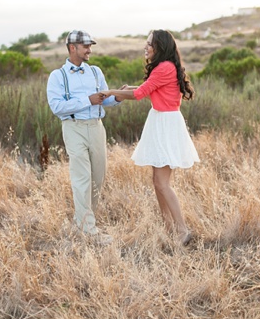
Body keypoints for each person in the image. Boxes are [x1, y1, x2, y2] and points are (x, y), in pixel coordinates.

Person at [101, 30, 199, 246]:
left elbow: (139, 95)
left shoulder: (164, 67)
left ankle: (182, 230)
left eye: (148, 44)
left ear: (159, 47)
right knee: (157, 182)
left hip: (165, 124)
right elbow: (147, 90)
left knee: (163, 183)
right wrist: (124, 90)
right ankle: (169, 229)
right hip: (160, 122)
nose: (145, 47)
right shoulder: (164, 67)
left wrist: (111, 92)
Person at [47, 30, 122, 244]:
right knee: (82, 178)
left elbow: (104, 100)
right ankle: (88, 231)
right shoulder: (57, 76)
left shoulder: (96, 72)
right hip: (74, 128)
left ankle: (82, 222)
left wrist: (117, 96)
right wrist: (87, 100)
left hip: (97, 128)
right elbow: (57, 107)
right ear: (73, 48)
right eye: (86, 46)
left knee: (97, 178)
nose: (90, 50)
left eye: (90, 46)